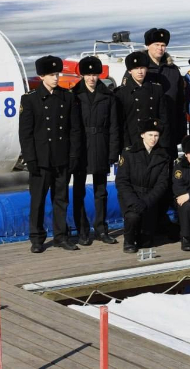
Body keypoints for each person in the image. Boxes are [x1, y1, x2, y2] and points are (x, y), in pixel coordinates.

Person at [19, 55, 81, 253]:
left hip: (61, 158)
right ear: (42, 76)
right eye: (52, 75)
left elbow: (74, 129)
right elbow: (26, 133)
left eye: (58, 74)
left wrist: (73, 155)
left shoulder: (67, 97)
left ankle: (61, 236)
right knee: (37, 200)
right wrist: (30, 159)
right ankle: (37, 238)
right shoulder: (30, 99)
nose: (56, 78)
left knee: (61, 199)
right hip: (41, 159)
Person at [71, 56, 120, 246]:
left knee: (101, 191)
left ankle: (101, 228)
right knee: (79, 190)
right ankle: (82, 230)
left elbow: (114, 126)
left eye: (94, 74)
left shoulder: (108, 96)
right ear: (82, 75)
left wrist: (113, 152)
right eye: (88, 74)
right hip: (81, 146)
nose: (91, 78)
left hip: (101, 144)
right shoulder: (74, 95)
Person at [115, 118, 171, 253]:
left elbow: (162, 184)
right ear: (142, 135)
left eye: (156, 135)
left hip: (149, 198)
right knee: (133, 217)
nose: (153, 138)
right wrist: (133, 201)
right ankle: (128, 241)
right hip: (132, 195)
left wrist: (146, 202)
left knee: (146, 242)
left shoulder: (163, 156)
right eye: (150, 135)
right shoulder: (129, 153)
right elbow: (121, 181)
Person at [142, 28, 186, 157]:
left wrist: (181, 130)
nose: (160, 48)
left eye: (163, 45)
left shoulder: (172, 70)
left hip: (169, 127)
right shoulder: (140, 69)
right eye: (156, 45)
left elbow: (180, 102)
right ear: (148, 46)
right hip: (146, 130)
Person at [114, 51, 168, 150]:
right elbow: (121, 123)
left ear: (147, 69)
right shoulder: (121, 93)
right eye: (136, 68)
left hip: (154, 142)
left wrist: (163, 142)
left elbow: (163, 118)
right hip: (132, 141)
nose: (140, 72)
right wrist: (126, 145)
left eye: (142, 68)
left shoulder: (156, 90)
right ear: (129, 71)